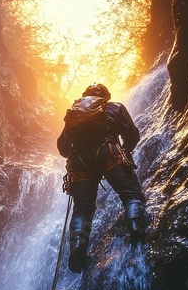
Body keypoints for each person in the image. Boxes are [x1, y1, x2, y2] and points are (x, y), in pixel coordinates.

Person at [57, 83, 146, 273]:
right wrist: (125, 150)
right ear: (105, 96)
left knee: (82, 210)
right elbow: (132, 134)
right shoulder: (114, 107)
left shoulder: (74, 115)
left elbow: (63, 148)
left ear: (85, 96)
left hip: (80, 163)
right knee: (130, 193)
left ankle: (78, 250)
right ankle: (137, 227)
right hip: (109, 153)